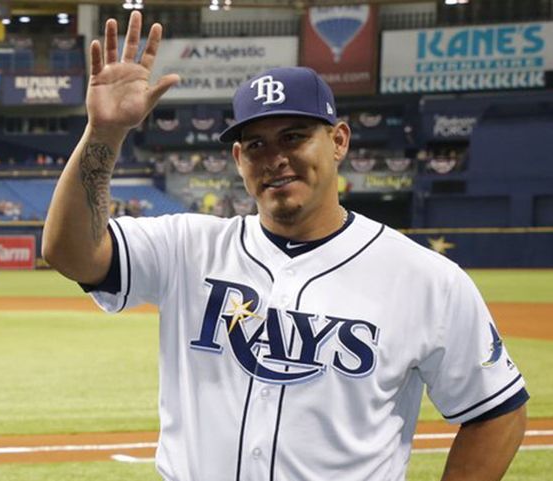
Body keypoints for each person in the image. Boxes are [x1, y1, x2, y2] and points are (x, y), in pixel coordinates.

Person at [42, 11, 528, 481]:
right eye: (256, 145)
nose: (275, 158)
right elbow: (70, 254)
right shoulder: (187, 247)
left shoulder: (424, 278)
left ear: (338, 141)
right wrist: (104, 134)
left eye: (294, 137)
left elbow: (497, 411)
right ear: (238, 158)